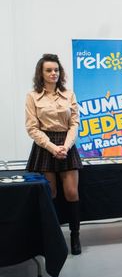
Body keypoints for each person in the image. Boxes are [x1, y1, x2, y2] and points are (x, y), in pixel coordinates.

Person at [25, 54, 84, 255]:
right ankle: (53, 238)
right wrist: (52, 147)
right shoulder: (32, 96)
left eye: (56, 70)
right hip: (45, 146)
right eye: (49, 70)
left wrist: (65, 146)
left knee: (72, 192)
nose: (53, 73)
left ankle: (75, 236)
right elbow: (32, 128)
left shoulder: (69, 94)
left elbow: (74, 123)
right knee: (50, 194)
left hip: (67, 144)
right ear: (41, 73)